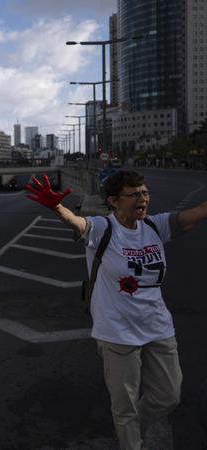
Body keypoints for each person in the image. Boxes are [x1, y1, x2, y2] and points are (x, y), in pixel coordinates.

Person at [25, 171, 207, 450]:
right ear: (113, 200)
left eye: (144, 192)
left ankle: (133, 430)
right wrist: (57, 207)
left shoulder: (157, 226)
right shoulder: (102, 229)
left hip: (158, 327)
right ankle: (130, 444)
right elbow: (78, 223)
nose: (142, 198)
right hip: (116, 332)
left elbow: (198, 212)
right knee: (125, 405)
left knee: (168, 395)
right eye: (134, 194)